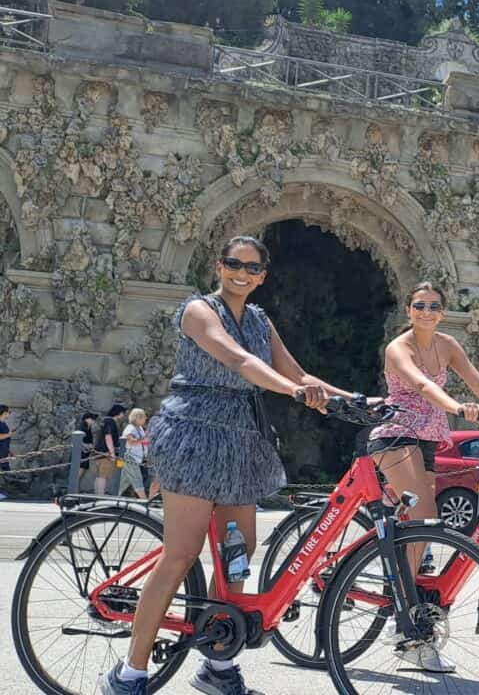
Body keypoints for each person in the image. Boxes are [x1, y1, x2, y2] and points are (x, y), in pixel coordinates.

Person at [100, 236, 356, 695]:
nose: (242, 273)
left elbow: (298, 373)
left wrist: (352, 399)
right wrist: (291, 392)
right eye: (233, 264)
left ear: (263, 276)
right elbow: (237, 360)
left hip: (241, 440)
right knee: (181, 552)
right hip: (194, 433)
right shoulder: (199, 310)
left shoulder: (259, 318)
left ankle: (217, 666)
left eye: (252, 267)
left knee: (236, 557)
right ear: (219, 267)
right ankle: (130, 673)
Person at [365, 281, 479, 673]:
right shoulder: (399, 347)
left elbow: (478, 382)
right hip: (396, 435)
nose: (426, 311)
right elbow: (420, 384)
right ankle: (405, 626)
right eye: (419, 306)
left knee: (420, 529)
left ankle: (405, 597)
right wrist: (457, 408)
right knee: (424, 523)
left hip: (428, 439)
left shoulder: (448, 345)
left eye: (434, 306)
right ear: (409, 311)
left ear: (442, 312)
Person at [92, 404, 127, 495]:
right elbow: (108, 436)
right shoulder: (110, 422)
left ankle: (97, 495)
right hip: (106, 453)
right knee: (103, 475)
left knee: (99, 475)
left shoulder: (103, 420)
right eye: (123, 413)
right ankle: (100, 496)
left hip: (98, 452)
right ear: (119, 413)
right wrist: (112, 453)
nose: (123, 416)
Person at [118, 408, 149, 500]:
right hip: (130, 457)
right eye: (143, 417)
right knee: (137, 478)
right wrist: (145, 437)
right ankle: (144, 501)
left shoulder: (139, 428)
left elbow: (143, 442)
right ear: (137, 417)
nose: (145, 419)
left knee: (124, 481)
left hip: (135, 458)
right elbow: (131, 442)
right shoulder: (130, 428)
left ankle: (112, 496)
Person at [0, 404, 11, 500]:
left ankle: (3, 492)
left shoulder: (3, 424)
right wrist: (8, 434)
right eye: (9, 412)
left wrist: (10, 451)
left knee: (6, 472)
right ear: (4, 413)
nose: (9, 414)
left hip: (4, 452)